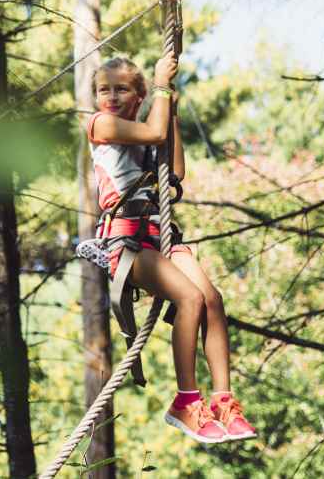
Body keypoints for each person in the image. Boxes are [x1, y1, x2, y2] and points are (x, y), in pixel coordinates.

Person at [84, 52, 256, 444]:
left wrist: (171, 109)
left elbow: (174, 171)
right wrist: (162, 86)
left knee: (212, 299)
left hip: (159, 235)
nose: (110, 96)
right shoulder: (101, 124)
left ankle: (223, 400)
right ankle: (185, 401)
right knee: (190, 299)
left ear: (139, 95)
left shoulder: (148, 126)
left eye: (121, 89)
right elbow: (155, 133)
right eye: (103, 89)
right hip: (125, 239)